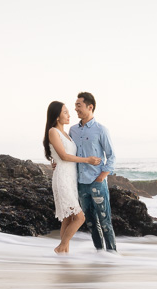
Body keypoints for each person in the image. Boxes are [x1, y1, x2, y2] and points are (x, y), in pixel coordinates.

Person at [42, 101, 102, 254]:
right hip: (62, 178)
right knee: (79, 217)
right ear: (57, 116)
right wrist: (87, 160)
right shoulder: (53, 131)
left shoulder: (66, 134)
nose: (69, 115)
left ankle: (64, 254)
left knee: (68, 219)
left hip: (71, 179)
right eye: (65, 112)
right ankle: (61, 248)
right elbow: (63, 155)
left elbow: (62, 156)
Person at [69, 92, 118, 252]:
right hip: (81, 184)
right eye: (75, 105)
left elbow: (111, 156)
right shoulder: (73, 130)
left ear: (90, 107)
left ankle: (112, 254)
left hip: (97, 182)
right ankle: (99, 253)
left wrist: (102, 176)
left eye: (79, 105)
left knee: (104, 220)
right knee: (90, 222)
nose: (76, 108)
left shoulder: (101, 130)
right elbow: (69, 154)